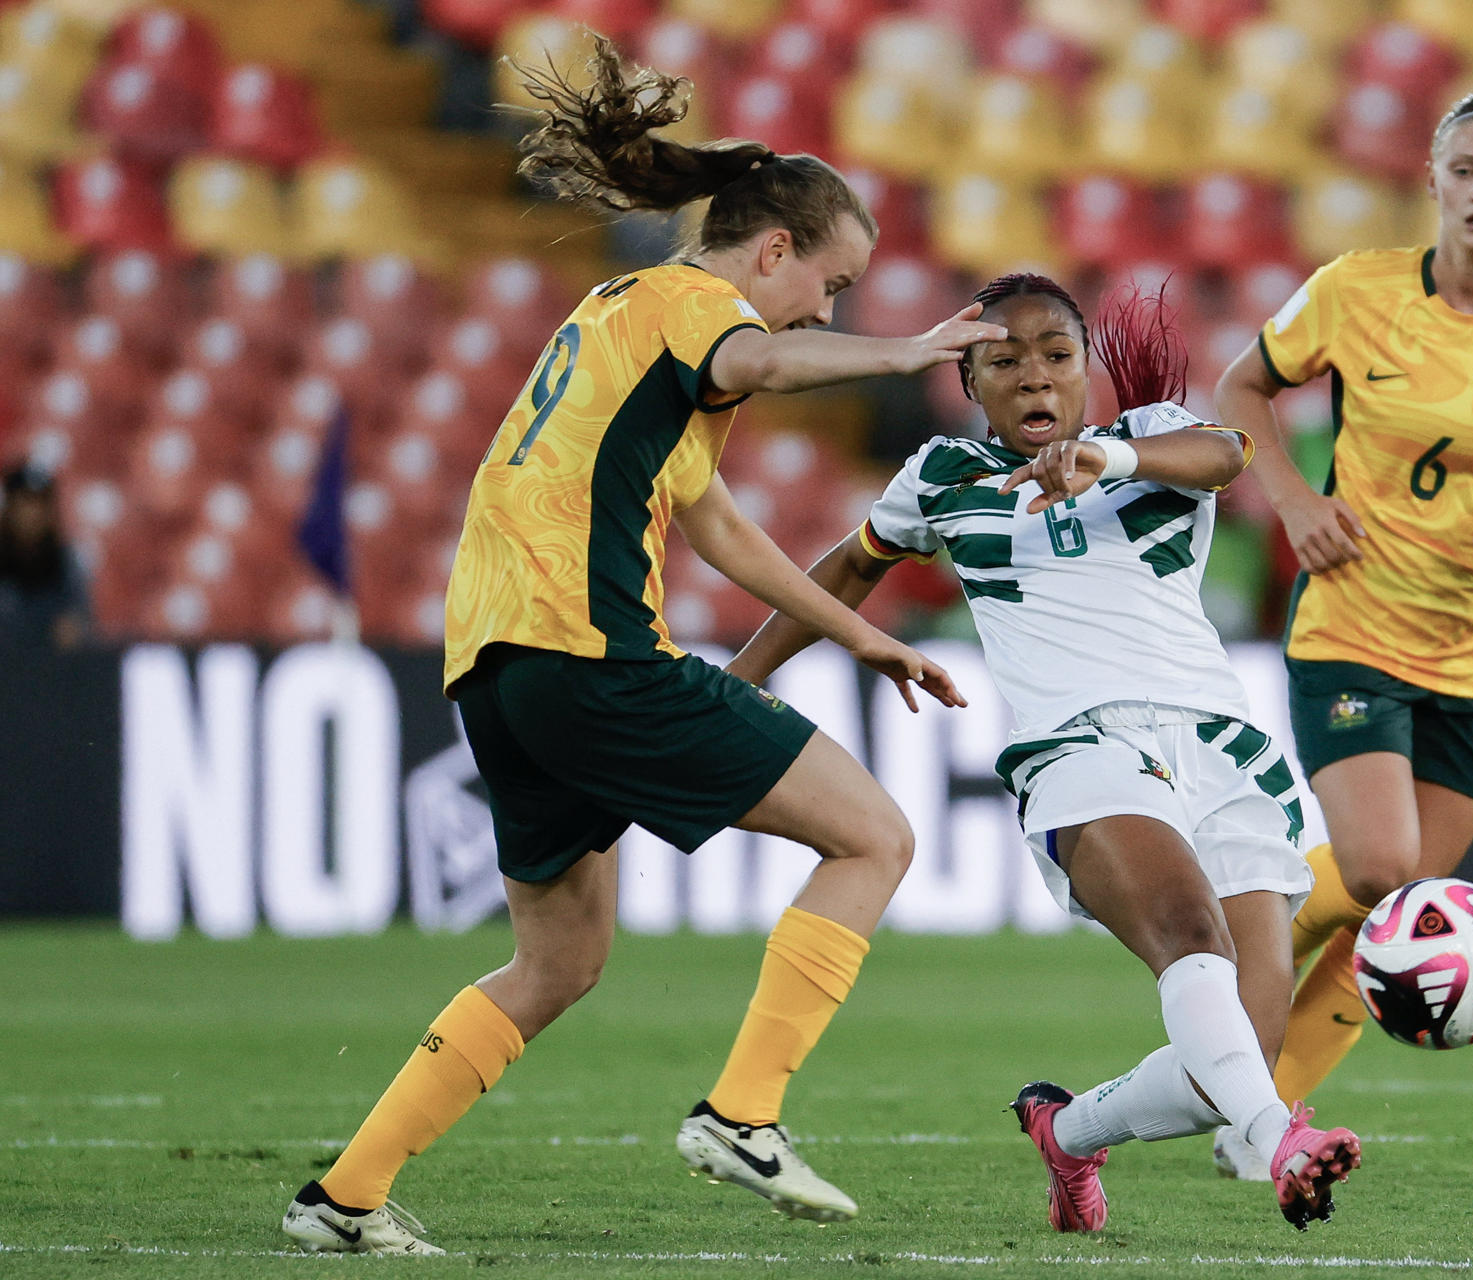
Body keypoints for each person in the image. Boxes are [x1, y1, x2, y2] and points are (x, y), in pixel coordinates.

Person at [280, 38, 1006, 1255]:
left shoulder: (617, 313)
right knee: (875, 834)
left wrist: (860, 635)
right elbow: (764, 356)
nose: (826, 310)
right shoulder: (698, 308)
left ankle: (343, 1196)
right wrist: (904, 351)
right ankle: (744, 1113)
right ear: (772, 250)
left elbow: (718, 521)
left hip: (500, 672)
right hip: (587, 649)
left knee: (558, 957)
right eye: (828, 285)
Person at [729, 273, 1362, 1233]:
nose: (1035, 379)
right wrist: (738, 682)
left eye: (1056, 357)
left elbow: (1228, 454)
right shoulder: (942, 476)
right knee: (1192, 940)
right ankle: (1281, 1143)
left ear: (1087, 372)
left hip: (1225, 755)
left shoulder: (1147, 437)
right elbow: (853, 564)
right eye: (1004, 361)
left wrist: (1105, 458)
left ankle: (1068, 1134)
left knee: (1236, 1052)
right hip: (1082, 750)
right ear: (967, 382)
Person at [1206, 93, 1473, 1176]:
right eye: (1467, 169)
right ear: (1433, 179)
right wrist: (1296, 503)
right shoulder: (1355, 289)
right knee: (1386, 864)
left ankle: (1258, 1122)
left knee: (1405, 916)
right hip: (1353, 618)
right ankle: (1246, 924)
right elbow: (1239, 388)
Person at [0, 463, 89, 649]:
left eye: (40, 504)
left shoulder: (66, 563)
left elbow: (76, 627)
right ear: (9, 508)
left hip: (47, 668)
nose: (32, 514)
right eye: (24, 503)